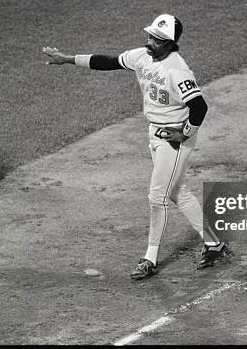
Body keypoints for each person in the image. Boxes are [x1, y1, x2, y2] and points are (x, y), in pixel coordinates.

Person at [43, 14, 232, 280]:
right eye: (150, 36)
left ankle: (150, 259)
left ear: (168, 44)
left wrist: (184, 133)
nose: (149, 41)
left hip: (173, 139)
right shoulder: (142, 56)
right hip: (155, 133)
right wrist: (68, 59)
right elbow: (108, 62)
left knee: (158, 197)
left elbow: (199, 106)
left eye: (156, 39)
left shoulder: (177, 70)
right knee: (177, 191)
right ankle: (214, 242)